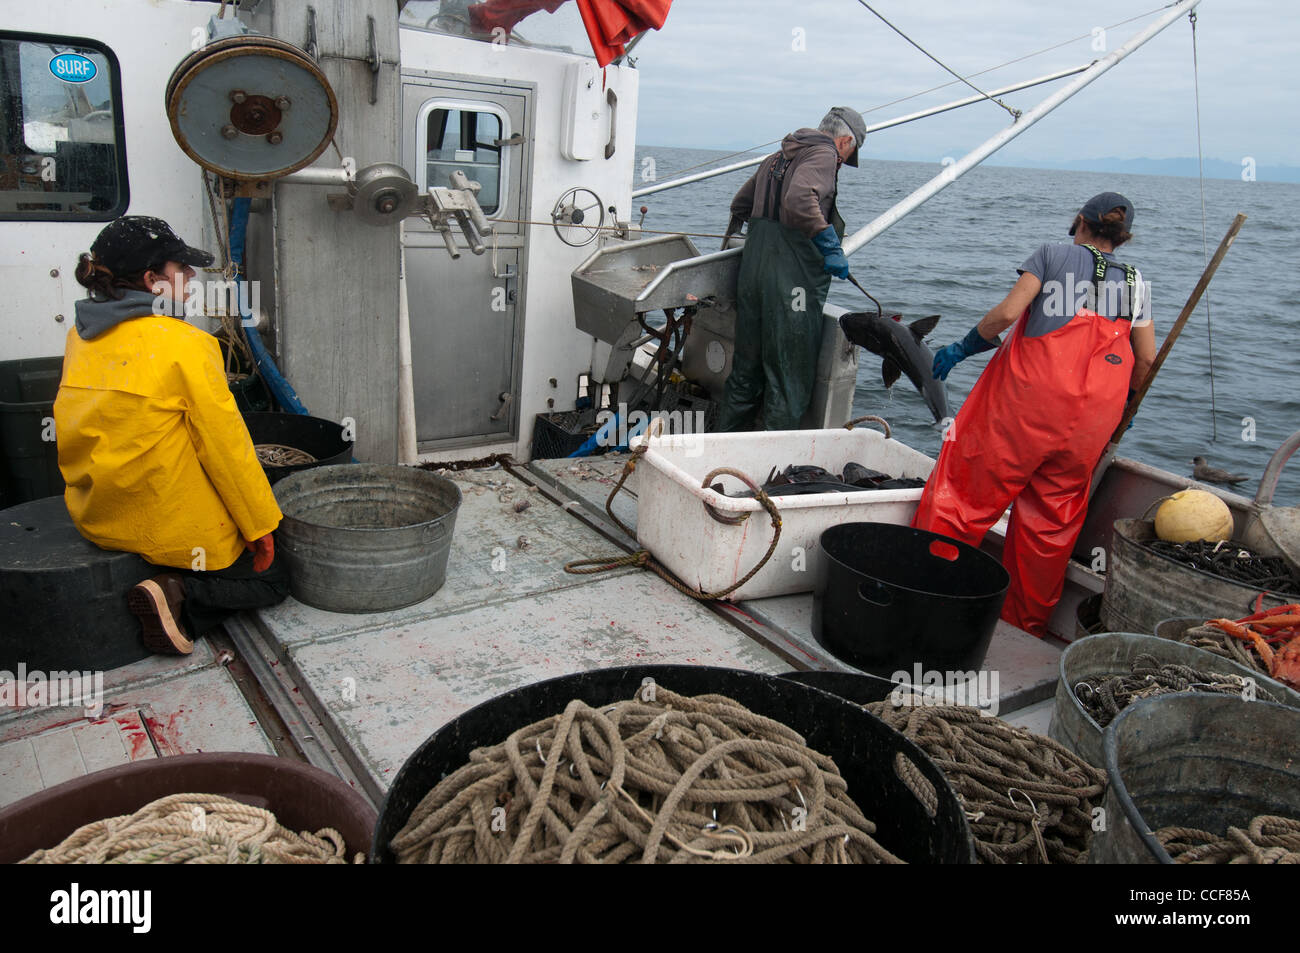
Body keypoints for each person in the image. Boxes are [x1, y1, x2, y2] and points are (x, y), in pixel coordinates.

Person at [914, 192, 1156, 638]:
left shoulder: (1051, 255)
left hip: (1025, 410)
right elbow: (1143, 362)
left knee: (963, 499)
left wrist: (963, 347)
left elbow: (1007, 313)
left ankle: (926, 596)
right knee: (1050, 526)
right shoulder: (1136, 282)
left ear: (1079, 220)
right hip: (1089, 424)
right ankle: (1021, 627)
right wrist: (1126, 407)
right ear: (1125, 238)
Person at [54, 216, 289, 655]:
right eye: (181, 268)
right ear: (152, 280)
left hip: (97, 517)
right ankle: (179, 591)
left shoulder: (78, 338)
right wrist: (260, 525)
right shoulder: (188, 345)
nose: (192, 277)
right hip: (166, 527)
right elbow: (226, 450)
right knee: (274, 581)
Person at [715, 106, 866, 431]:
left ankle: (722, 455)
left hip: (753, 279)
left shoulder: (777, 157)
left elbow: (741, 204)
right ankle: (771, 472)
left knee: (745, 374)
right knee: (788, 380)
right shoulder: (824, 155)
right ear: (845, 141)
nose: (842, 162)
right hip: (792, 290)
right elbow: (799, 200)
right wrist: (829, 246)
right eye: (848, 153)